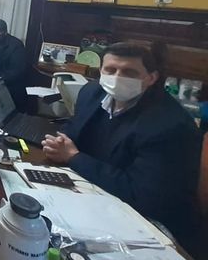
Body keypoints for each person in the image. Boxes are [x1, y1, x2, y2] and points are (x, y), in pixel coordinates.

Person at [41, 42, 201, 245]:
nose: (117, 77)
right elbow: (74, 129)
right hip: (93, 195)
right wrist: (60, 142)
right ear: (101, 71)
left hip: (148, 225)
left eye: (129, 72)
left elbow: (142, 196)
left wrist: (74, 157)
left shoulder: (170, 126)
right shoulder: (92, 93)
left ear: (151, 78)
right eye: (110, 70)